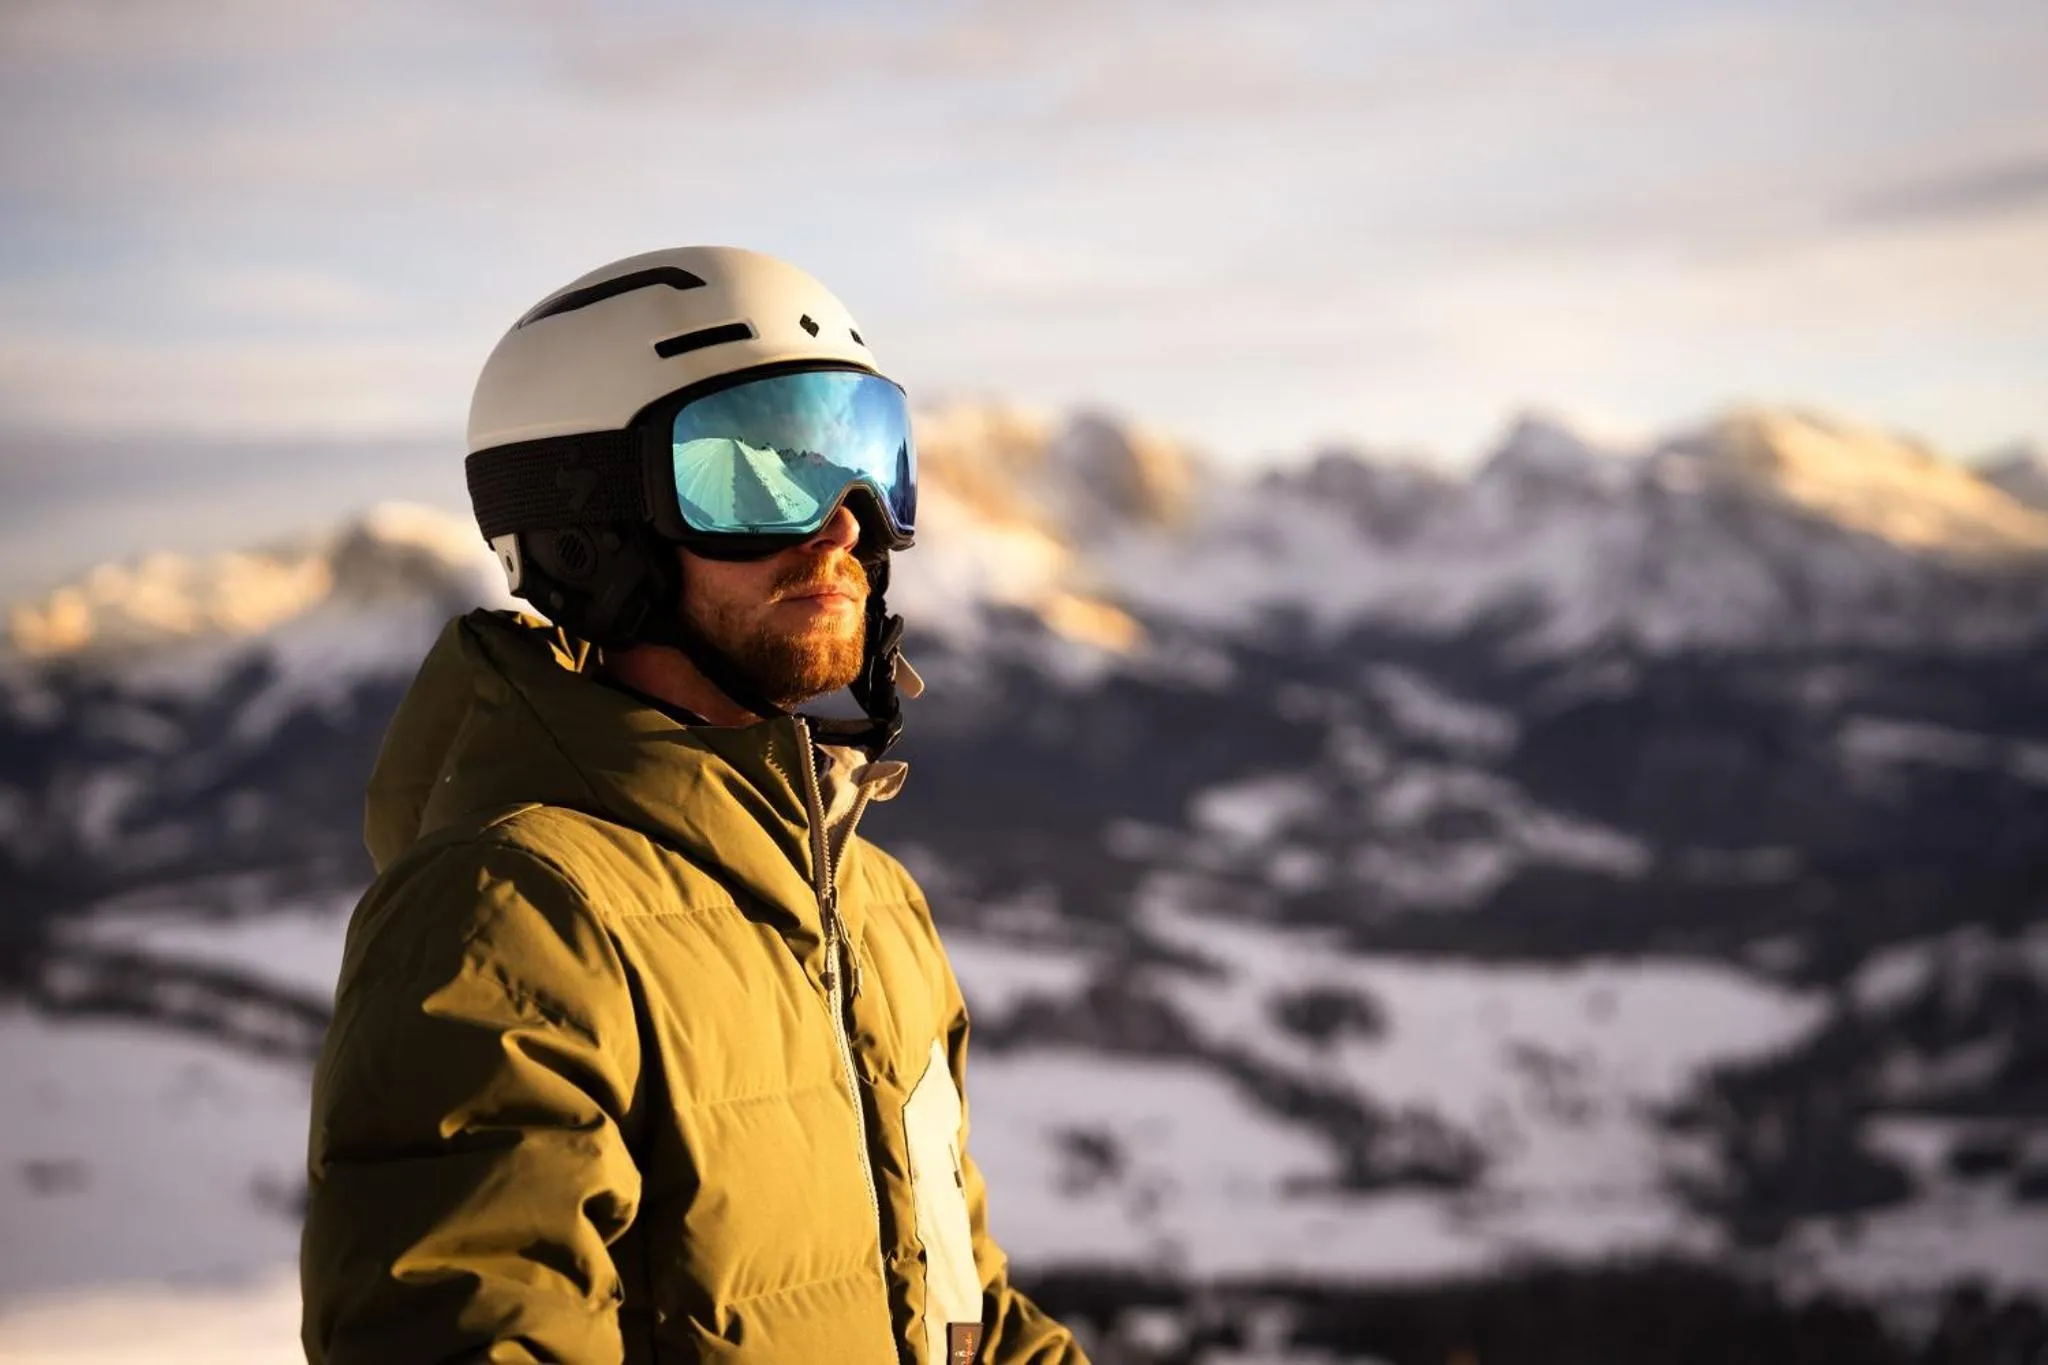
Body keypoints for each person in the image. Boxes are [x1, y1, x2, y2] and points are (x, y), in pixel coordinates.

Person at [300, 247, 1089, 1365]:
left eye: (867, 462)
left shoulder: (871, 902)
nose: (844, 524)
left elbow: (960, 1312)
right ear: (593, 531)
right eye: (753, 475)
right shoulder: (512, 916)